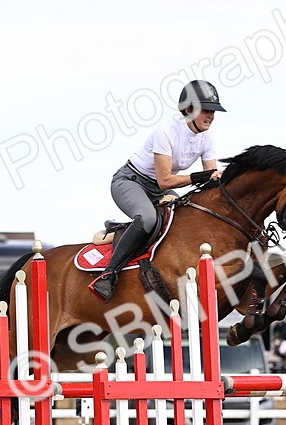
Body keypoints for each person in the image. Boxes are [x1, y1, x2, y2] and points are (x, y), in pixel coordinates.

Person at [90, 80, 226, 302]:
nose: (211, 116)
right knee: (147, 218)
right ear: (189, 109)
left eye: (213, 111)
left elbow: (211, 179)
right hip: (131, 181)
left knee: (186, 219)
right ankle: (108, 275)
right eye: (206, 110)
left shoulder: (207, 138)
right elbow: (165, 181)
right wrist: (202, 177)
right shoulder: (166, 131)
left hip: (158, 189)